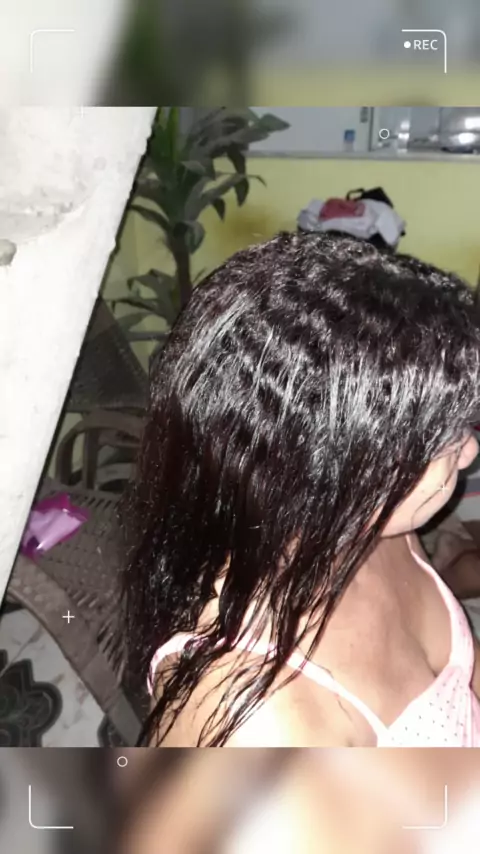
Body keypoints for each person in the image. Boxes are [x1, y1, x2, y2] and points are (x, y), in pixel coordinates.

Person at [123, 231, 480, 747]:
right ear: (339, 464)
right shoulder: (253, 716)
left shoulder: (380, 526)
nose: (468, 451)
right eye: (441, 439)